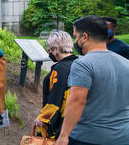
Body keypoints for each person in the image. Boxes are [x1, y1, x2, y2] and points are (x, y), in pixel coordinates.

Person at [54, 16, 129, 145]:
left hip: (88, 137)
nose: (75, 41)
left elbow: (77, 101)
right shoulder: (126, 63)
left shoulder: (83, 64)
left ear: (84, 37)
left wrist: (63, 136)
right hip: (123, 137)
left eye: (75, 37)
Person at [34, 30, 77, 140]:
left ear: (56, 49)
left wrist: (43, 118)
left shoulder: (60, 69)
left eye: (49, 50)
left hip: (61, 123)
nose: (49, 54)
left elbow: (55, 97)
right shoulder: (78, 63)